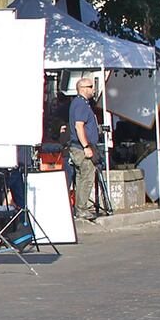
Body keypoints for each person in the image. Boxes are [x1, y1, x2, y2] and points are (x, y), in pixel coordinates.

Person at [67, 76, 103, 221]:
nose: (93, 89)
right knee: (86, 176)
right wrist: (86, 146)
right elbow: (79, 126)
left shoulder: (82, 104)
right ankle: (81, 209)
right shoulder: (80, 104)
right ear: (82, 89)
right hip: (81, 148)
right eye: (90, 87)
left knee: (82, 177)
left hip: (80, 146)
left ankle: (80, 207)